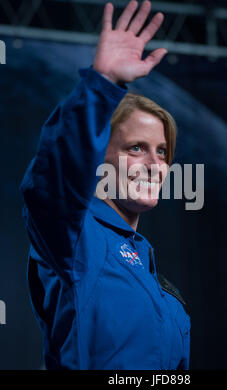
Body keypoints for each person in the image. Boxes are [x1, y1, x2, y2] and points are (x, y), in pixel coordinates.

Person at [20, 0, 191, 370]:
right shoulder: (74, 238)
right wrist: (104, 85)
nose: (154, 165)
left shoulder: (158, 283)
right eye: (136, 148)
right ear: (98, 159)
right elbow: (55, 176)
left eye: (162, 152)